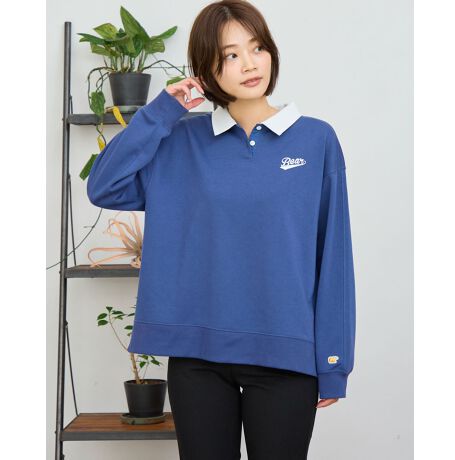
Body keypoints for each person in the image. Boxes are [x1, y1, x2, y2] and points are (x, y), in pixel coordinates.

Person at [87, 1, 356, 458]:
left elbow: (334, 255)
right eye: (230, 55)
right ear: (206, 69)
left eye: (257, 47)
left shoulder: (316, 139)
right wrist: (161, 112)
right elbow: (104, 186)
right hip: (198, 359)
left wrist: (333, 361)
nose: (250, 64)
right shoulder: (179, 140)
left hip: (286, 356)